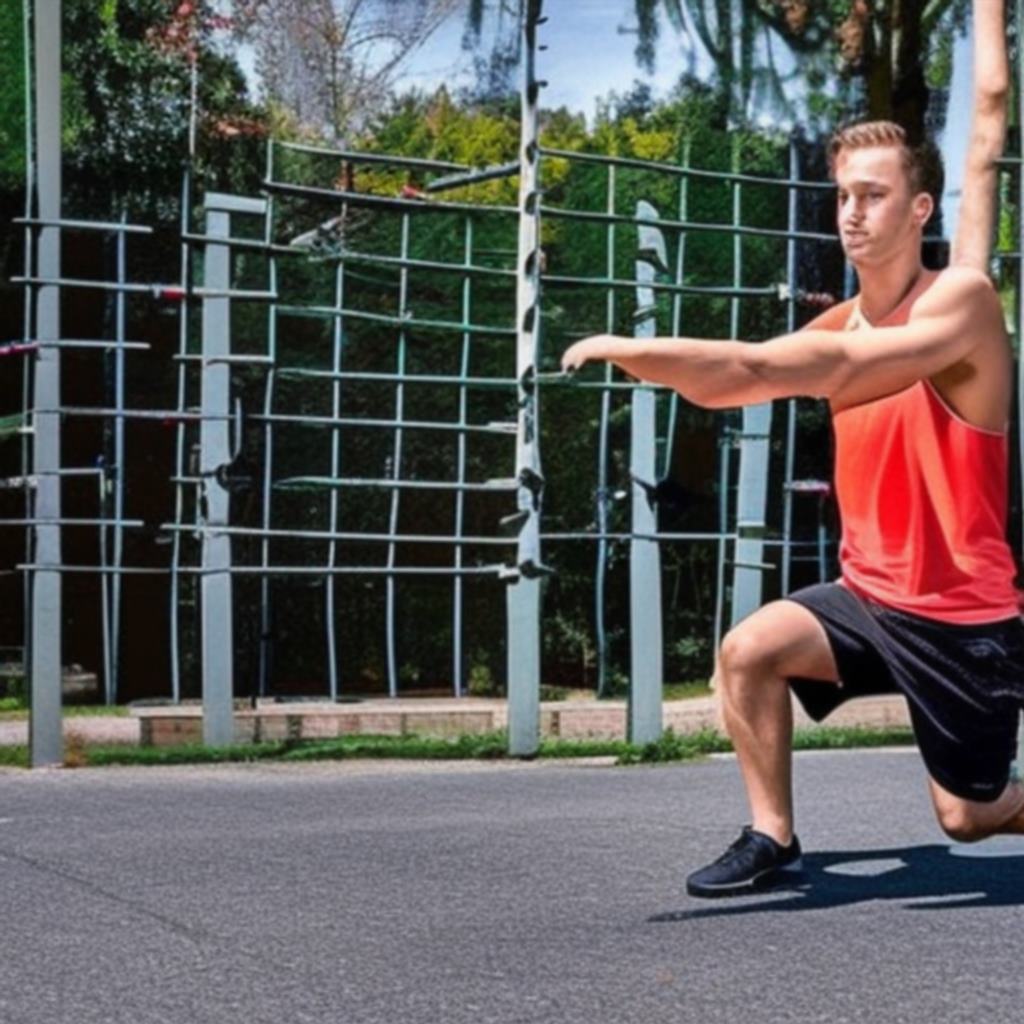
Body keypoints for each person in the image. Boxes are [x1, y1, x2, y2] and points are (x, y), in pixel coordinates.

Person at [560, 0, 1024, 897]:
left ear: (921, 206)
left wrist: (991, 8)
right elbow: (793, 359)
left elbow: (988, 122)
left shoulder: (963, 303)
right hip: (869, 594)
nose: (851, 214)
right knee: (749, 650)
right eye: (843, 196)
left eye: (874, 195)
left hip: (962, 615)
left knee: (966, 817)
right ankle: (773, 836)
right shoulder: (837, 319)